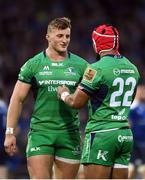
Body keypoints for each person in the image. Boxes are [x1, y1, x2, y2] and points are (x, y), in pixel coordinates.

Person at [4, 17, 88, 179]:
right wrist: (10, 132)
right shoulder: (33, 64)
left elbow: (92, 98)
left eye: (67, 36)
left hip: (69, 135)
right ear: (48, 37)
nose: (64, 40)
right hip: (41, 133)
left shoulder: (81, 65)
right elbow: (17, 99)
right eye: (60, 36)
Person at [57, 24, 140, 179]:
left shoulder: (94, 69)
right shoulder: (133, 68)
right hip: (124, 134)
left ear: (96, 44)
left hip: (101, 134)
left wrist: (64, 94)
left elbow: (76, 102)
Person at [128, 84, 145, 179]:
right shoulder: (133, 108)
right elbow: (129, 124)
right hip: (134, 142)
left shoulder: (142, 107)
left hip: (143, 142)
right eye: (140, 91)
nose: (143, 93)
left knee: (142, 167)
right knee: (132, 167)